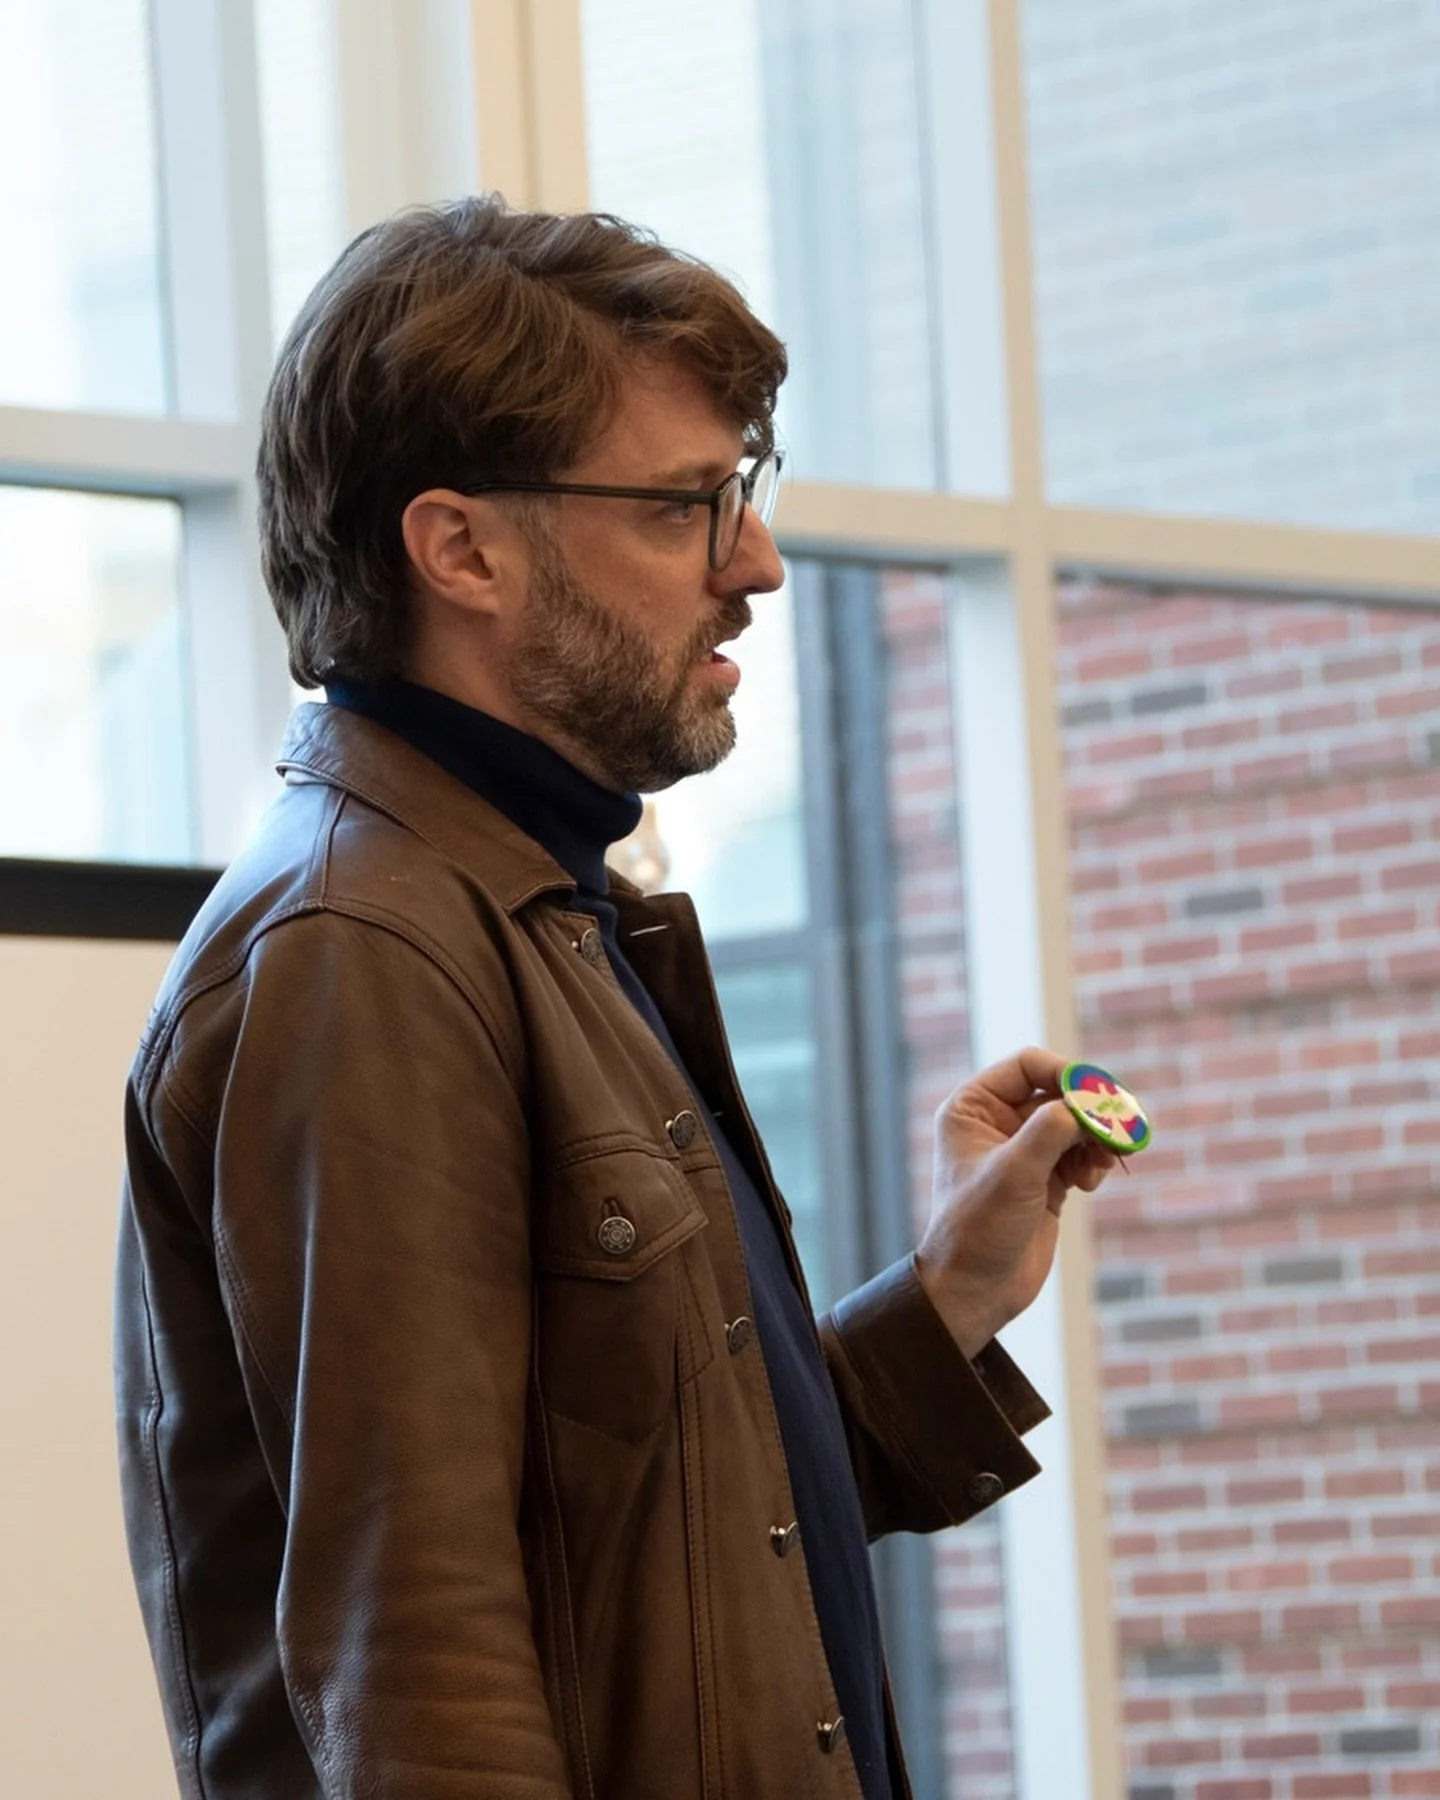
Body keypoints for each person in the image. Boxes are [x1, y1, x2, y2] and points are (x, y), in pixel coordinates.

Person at [115, 195, 1113, 1800]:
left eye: (743, 493)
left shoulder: (538, 910)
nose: (756, 563)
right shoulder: (363, 949)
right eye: (683, 507)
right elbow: (418, 1662)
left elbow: (683, 1544)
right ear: (462, 550)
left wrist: (947, 1299)